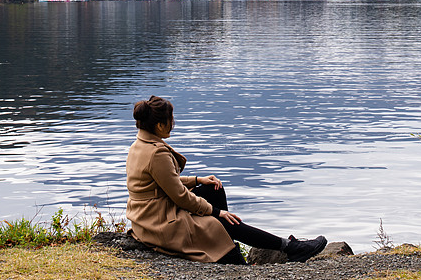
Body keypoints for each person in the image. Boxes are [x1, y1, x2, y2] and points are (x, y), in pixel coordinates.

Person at [125, 95, 327, 265]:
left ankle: (230, 241)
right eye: (171, 119)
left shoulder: (140, 144)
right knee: (220, 220)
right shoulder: (156, 153)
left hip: (149, 215)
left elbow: (163, 182)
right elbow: (179, 197)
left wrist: (197, 180)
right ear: (160, 125)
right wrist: (215, 212)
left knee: (213, 189)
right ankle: (289, 247)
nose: (173, 123)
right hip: (160, 223)